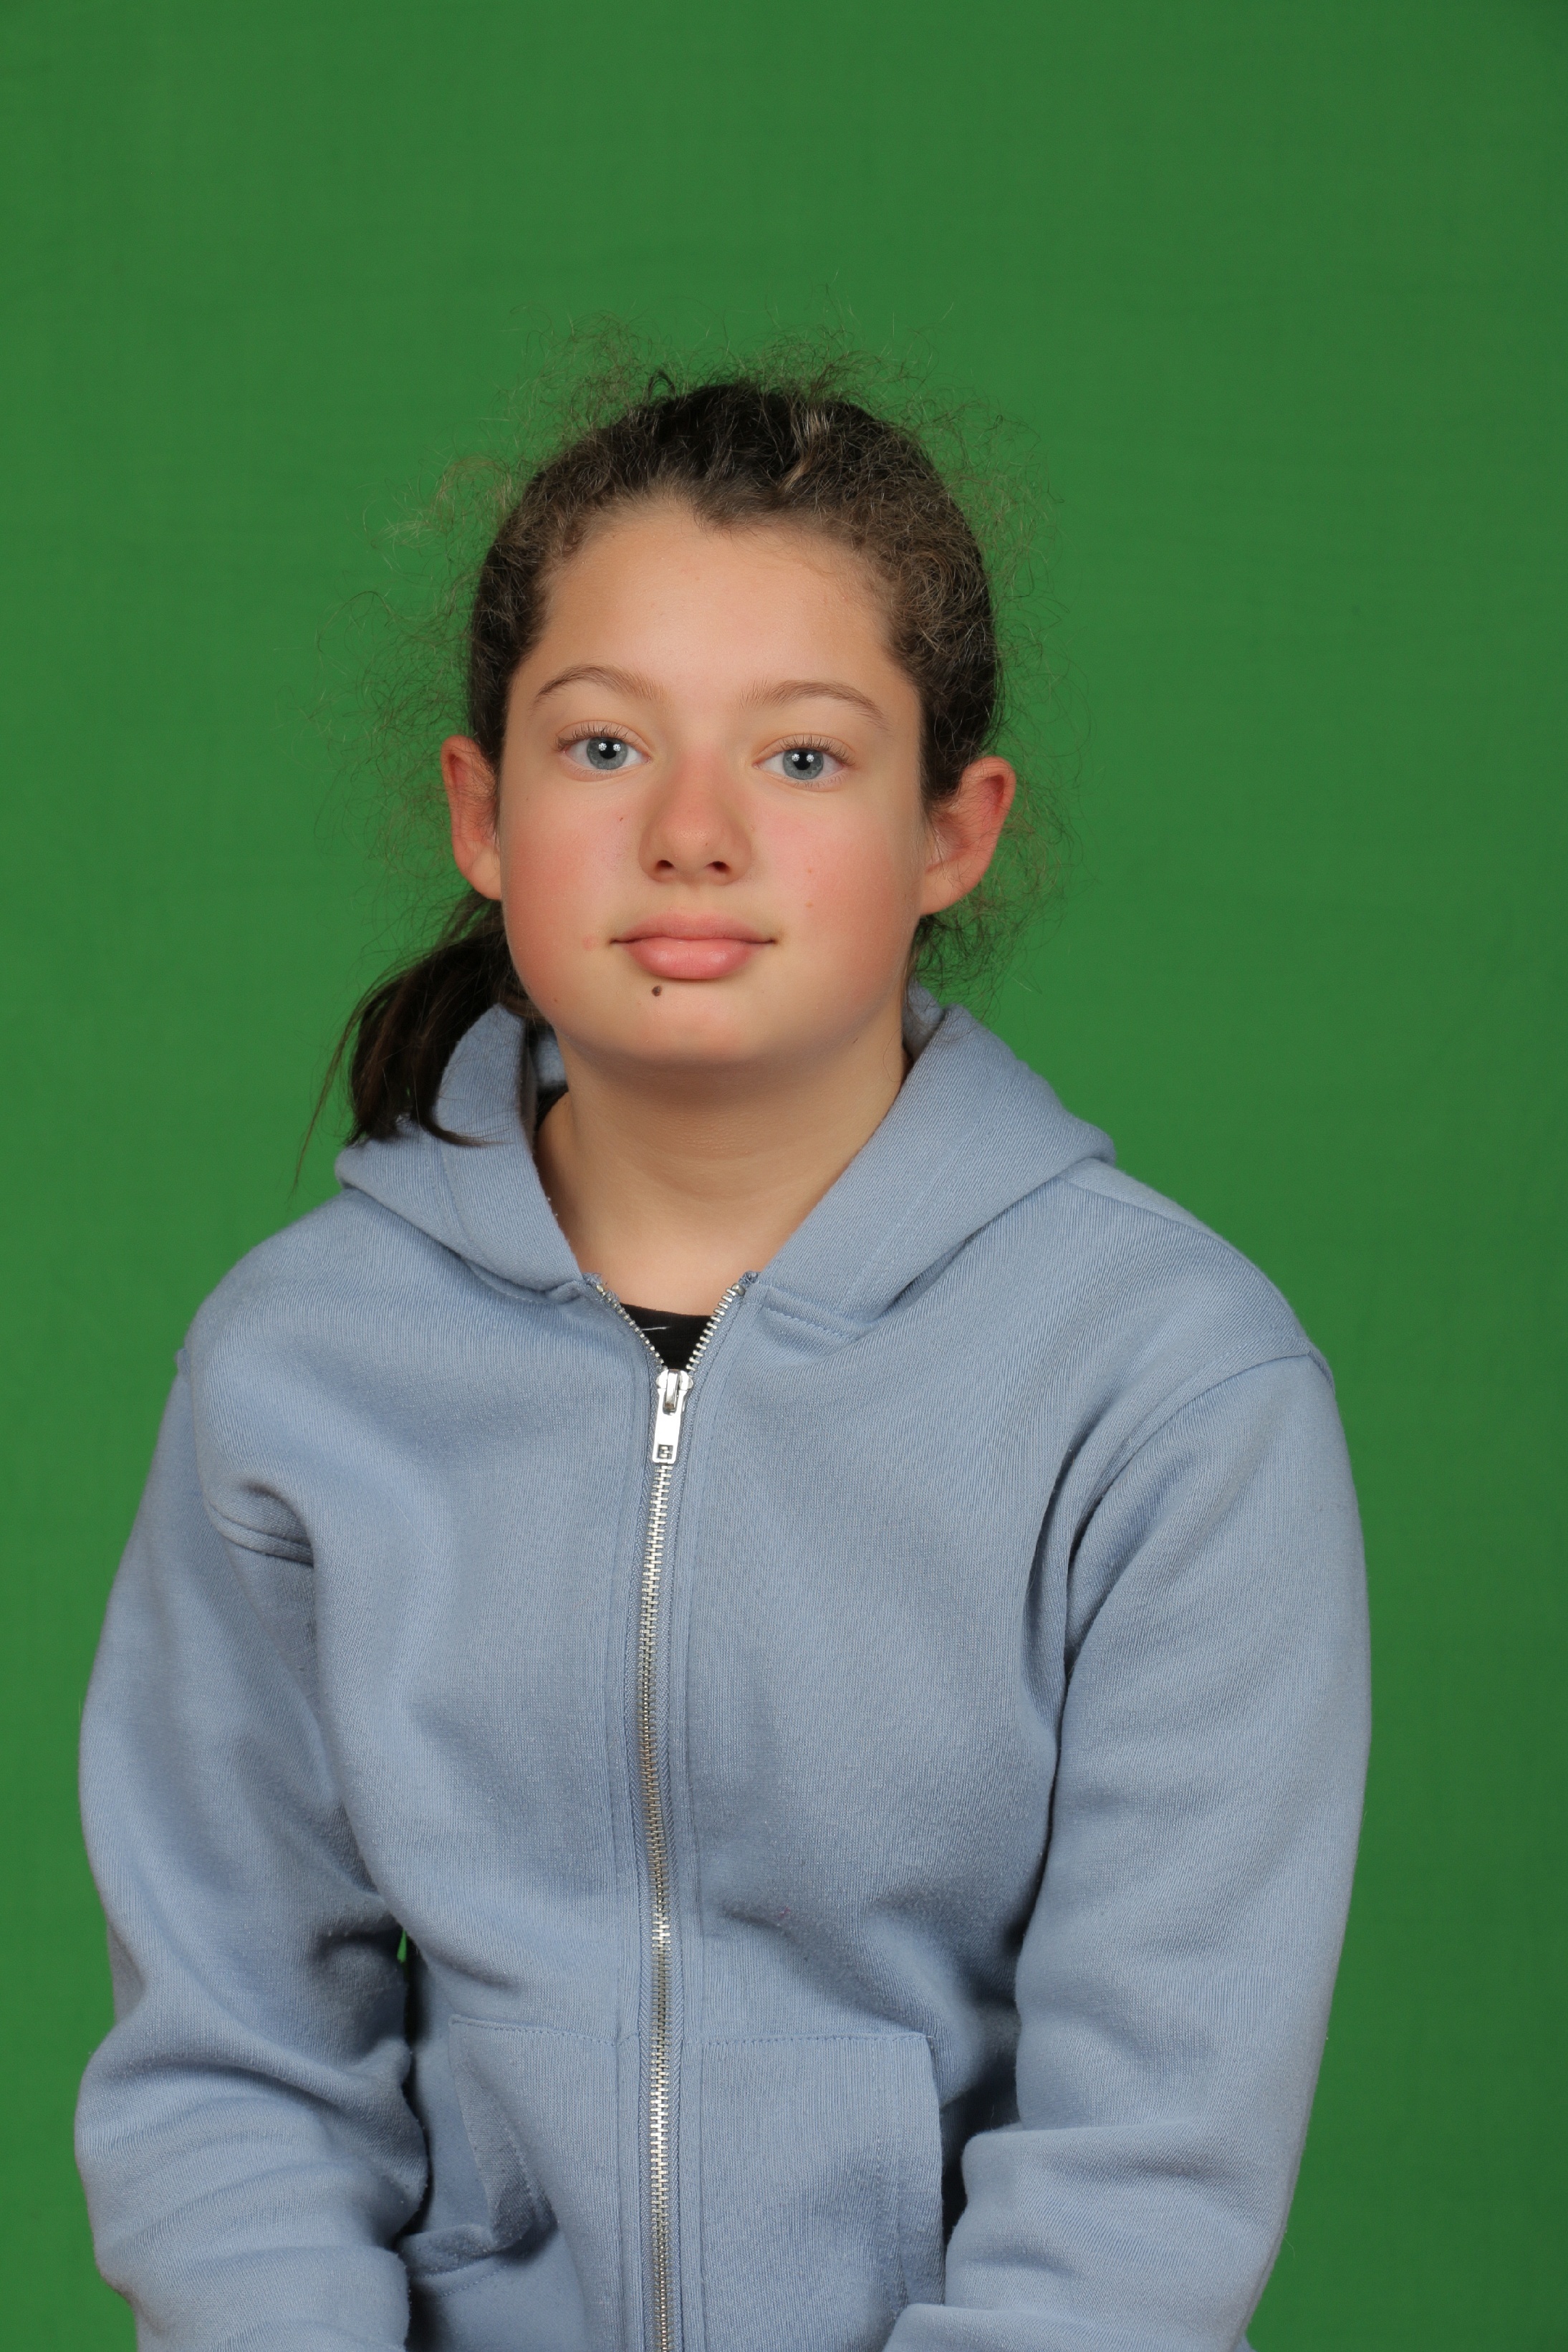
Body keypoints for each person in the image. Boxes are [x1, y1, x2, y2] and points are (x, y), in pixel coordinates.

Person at [75, 368, 1370, 2352]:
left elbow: (1146, 2175)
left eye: (804, 757)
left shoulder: (1173, 1392)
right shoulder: (296, 1366)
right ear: (482, 811)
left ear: (953, 830)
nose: (690, 834)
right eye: (604, 744)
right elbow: (233, 2068)